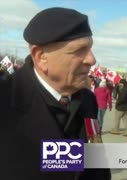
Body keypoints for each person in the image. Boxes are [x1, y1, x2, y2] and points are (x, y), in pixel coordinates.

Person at [0, 7, 111, 180]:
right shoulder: (5, 102)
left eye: (90, 48)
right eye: (79, 50)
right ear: (41, 56)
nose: (92, 59)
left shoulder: (88, 100)